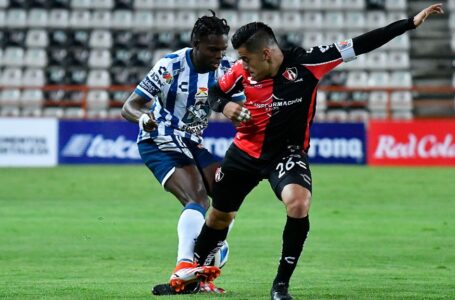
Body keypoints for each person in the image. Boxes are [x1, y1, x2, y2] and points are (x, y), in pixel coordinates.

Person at [173, 3, 444, 300]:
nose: (242, 66)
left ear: (266, 54)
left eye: (247, 59)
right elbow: (215, 93)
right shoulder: (239, 72)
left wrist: (408, 23)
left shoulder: (308, 64)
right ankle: (193, 277)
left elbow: (362, 43)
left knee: (298, 204)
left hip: (285, 154)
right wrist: (225, 105)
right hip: (244, 152)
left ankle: (280, 286)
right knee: (218, 218)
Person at [121, 11, 243, 295]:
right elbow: (130, 105)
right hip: (158, 137)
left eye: (222, 49)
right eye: (212, 49)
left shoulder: (226, 67)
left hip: (192, 141)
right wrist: (143, 118)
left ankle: (203, 267)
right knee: (197, 197)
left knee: (228, 197)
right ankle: (184, 265)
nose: (218, 55)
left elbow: (239, 106)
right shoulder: (170, 65)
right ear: (196, 43)